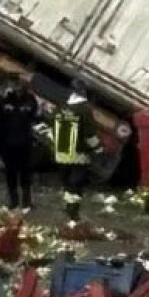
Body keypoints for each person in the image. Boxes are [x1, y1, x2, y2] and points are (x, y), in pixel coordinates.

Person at [0, 74, 39, 210]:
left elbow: (35, 115)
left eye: (17, 83)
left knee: (25, 172)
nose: (15, 86)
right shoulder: (1, 99)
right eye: (12, 83)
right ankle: (14, 201)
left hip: (24, 141)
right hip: (7, 142)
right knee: (10, 172)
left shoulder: (29, 99)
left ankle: (26, 201)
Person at [52, 81, 99, 223]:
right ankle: (73, 214)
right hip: (78, 155)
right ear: (83, 92)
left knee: (67, 184)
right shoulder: (84, 109)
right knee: (76, 185)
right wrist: (98, 149)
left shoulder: (61, 107)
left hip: (61, 153)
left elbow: (54, 130)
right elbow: (90, 134)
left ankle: (68, 210)